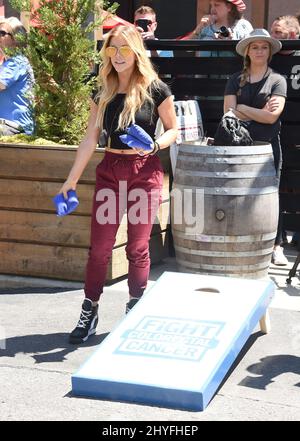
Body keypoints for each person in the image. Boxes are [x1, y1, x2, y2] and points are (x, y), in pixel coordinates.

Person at [59, 25, 177, 344]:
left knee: (137, 247)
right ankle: (90, 308)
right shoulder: (103, 91)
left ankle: (135, 307)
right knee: (98, 249)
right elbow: (89, 140)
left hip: (144, 171)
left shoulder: (156, 90)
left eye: (124, 49)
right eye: (112, 50)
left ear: (136, 51)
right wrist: (70, 181)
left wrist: (154, 146)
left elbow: (173, 130)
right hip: (110, 169)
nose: (118, 56)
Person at [224, 29, 287, 266]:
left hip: (268, 148)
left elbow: (272, 118)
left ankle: (276, 246)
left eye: (263, 47)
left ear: (269, 51)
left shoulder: (277, 80)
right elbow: (228, 113)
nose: (259, 51)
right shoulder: (235, 79)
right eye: (255, 47)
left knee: (271, 195)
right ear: (247, 52)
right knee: (241, 196)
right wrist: (257, 112)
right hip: (239, 146)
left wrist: (243, 108)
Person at [270, 15, 300, 262]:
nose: (273, 38)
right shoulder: (267, 58)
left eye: (278, 33)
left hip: (297, 131)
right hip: (276, 129)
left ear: (292, 35)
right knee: (277, 187)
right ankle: (277, 242)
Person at [0, 17, 35, 136]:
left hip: (14, 127)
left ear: (16, 39)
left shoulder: (16, 61)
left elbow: (1, 85)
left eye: (2, 33)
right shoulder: (9, 62)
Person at [183, 0, 252, 56]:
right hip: (205, 71)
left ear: (229, 7)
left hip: (233, 72)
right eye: (211, 5)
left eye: (216, 5)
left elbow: (251, 52)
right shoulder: (205, 26)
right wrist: (198, 29)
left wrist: (231, 42)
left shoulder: (243, 25)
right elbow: (186, 48)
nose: (212, 9)